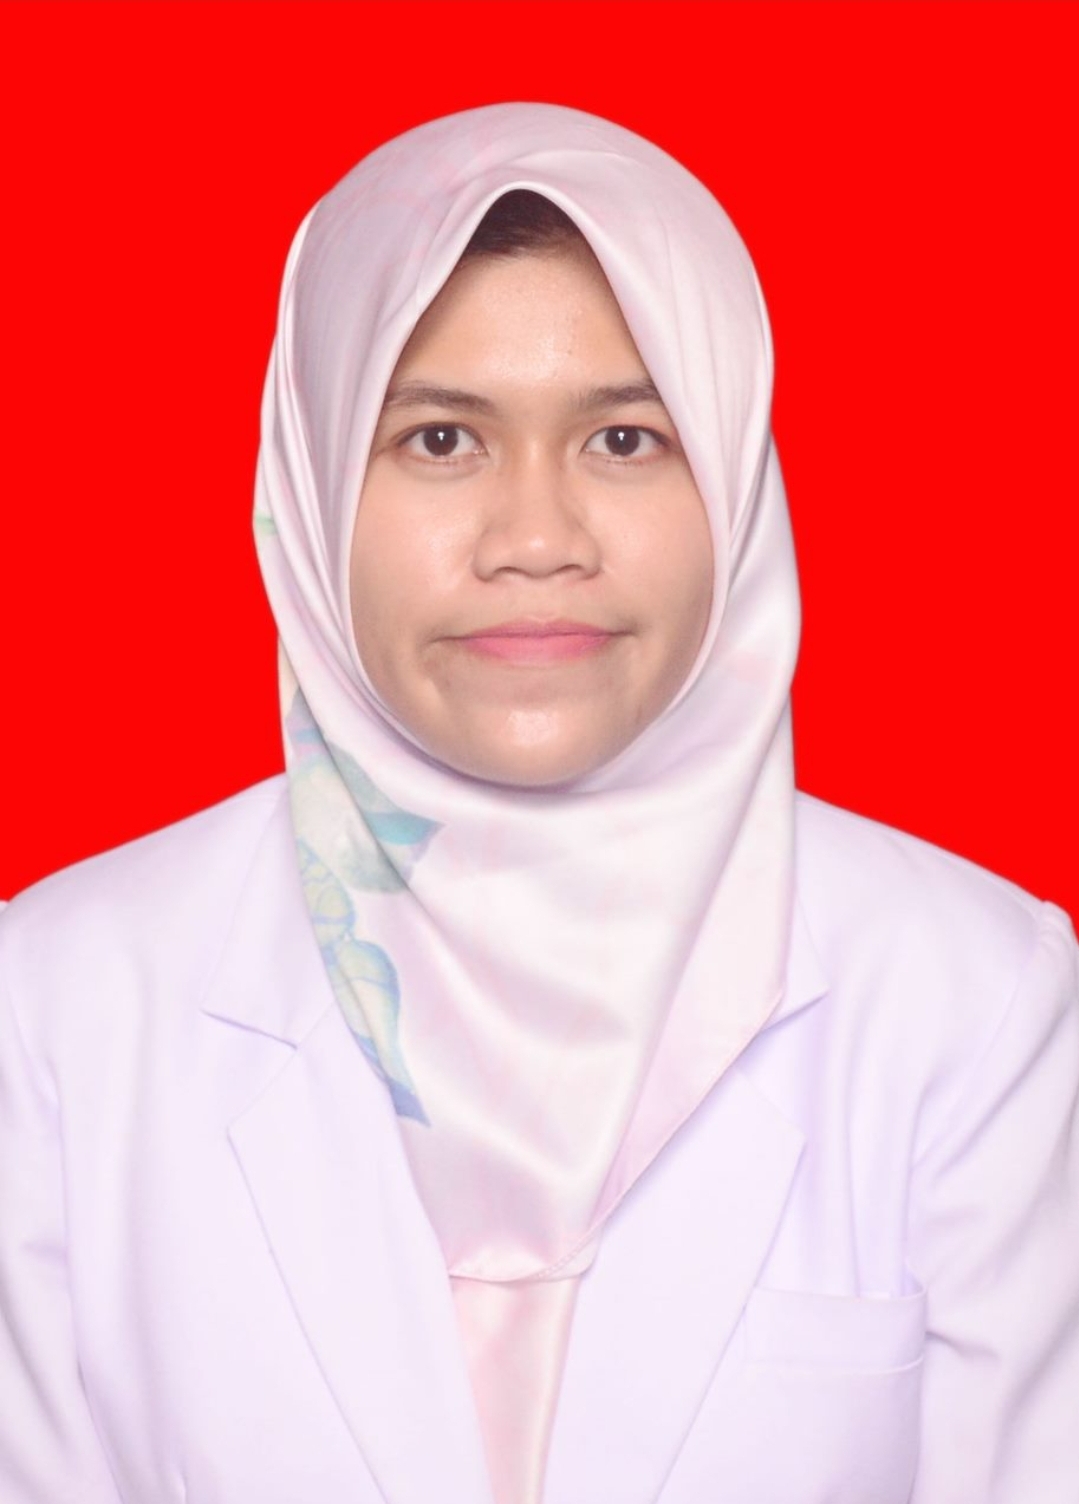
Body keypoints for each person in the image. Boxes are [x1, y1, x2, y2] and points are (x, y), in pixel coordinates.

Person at [0, 102, 1076, 1504]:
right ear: (313, 486)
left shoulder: (976, 998)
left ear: (735, 476)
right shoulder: (59, 1001)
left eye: (624, 439)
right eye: (441, 438)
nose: (536, 540)